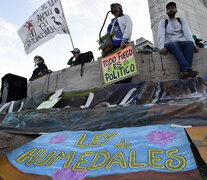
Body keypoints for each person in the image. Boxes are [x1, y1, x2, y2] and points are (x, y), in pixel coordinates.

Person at [158, 2, 199, 79]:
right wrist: (161, 47)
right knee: (174, 44)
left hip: (182, 42)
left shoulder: (181, 20)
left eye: (172, 8)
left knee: (189, 43)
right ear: (166, 12)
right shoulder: (163, 22)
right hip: (170, 44)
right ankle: (188, 69)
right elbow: (161, 35)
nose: (171, 9)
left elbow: (187, 33)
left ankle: (184, 72)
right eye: (169, 8)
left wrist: (194, 44)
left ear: (176, 11)